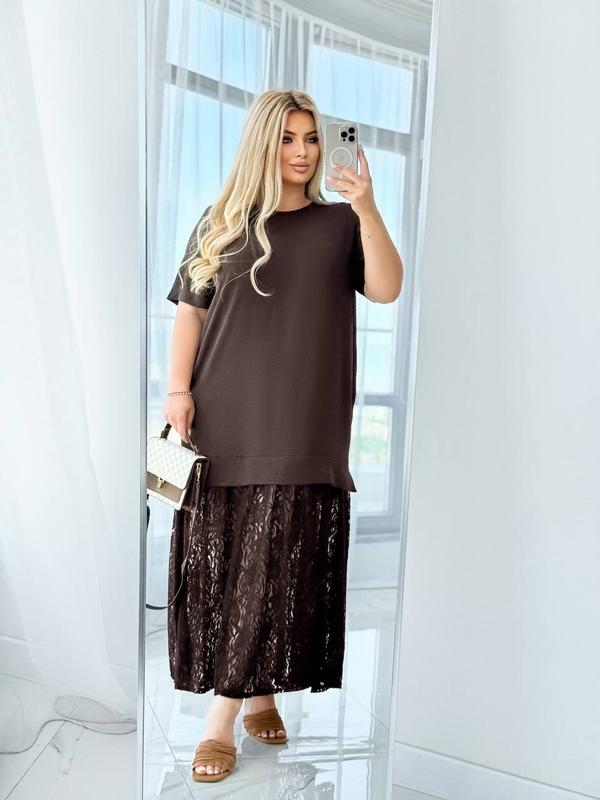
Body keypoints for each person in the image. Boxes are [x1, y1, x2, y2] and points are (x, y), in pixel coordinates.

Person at [163, 88, 403, 783]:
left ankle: (219, 722)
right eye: (288, 139)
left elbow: (386, 289)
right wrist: (178, 392)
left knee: (275, 560)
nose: (302, 152)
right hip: (222, 415)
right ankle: (259, 692)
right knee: (229, 565)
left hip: (303, 419)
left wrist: (367, 206)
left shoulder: (340, 223)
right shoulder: (221, 221)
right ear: (263, 145)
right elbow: (190, 313)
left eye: (311, 138)